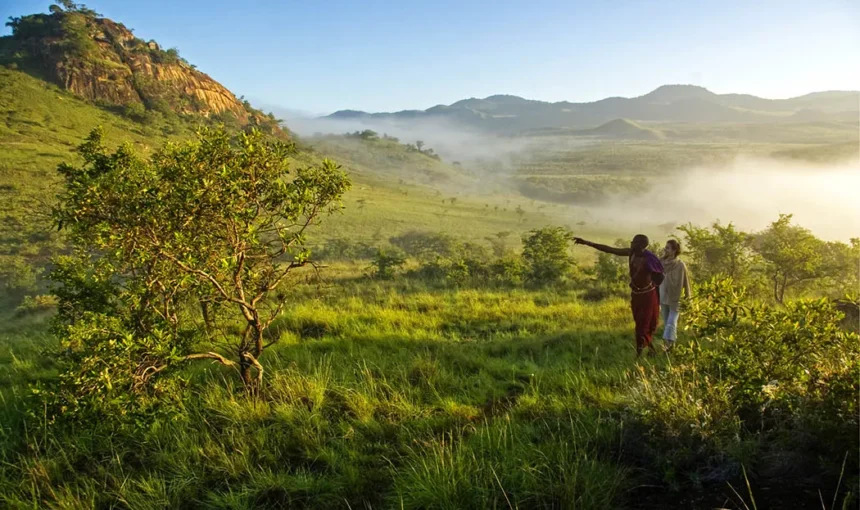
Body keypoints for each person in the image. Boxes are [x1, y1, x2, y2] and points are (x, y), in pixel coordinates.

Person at [574, 234, 664, 357]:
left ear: (641, 245)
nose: (631, 244)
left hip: (648, 296)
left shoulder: (650, 258)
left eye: (634, 242)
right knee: (640, 323)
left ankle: (639, 354)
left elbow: (660, 277)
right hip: (636, 294)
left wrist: (656, 298)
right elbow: (609, 249)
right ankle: (651, 349)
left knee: (643, 326)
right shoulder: (631, 253)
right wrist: (587, 242)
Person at [658, 239, 692, 352]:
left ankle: (666, 346)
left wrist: (688, 299)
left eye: (668, 248)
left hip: (676, 299)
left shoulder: (680, 265)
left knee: (671, 323)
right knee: (667, 322)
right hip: (663, 297)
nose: (665, 249)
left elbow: (686, 282)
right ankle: (671, 347)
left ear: (674, 251)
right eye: (665, 247)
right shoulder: (660, 262)